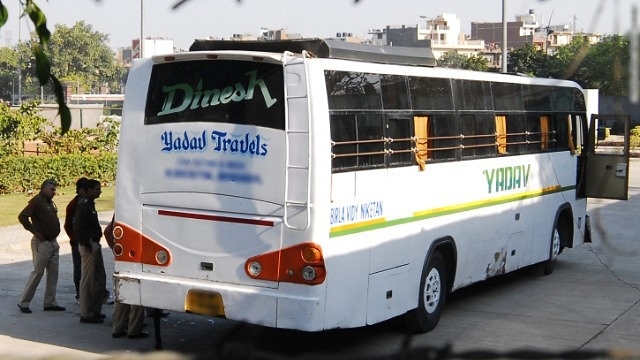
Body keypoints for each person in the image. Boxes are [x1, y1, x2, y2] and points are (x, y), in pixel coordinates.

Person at [16, 179, 66, 313]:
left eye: (54, 189)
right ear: (43, 188)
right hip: (42, 243)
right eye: (51, 189)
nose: (54, 192)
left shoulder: (50, 202)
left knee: (53, 273)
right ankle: (24, 302)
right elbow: (22, 217)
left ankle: (50, 302)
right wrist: (35, 232)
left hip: (53, 241)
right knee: (38, 272)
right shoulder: (36, 202)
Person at [104, 215, 149, 339]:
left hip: (123, 257)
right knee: (137, 294)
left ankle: (118, 327)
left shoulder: (121, 211)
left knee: (122, 294)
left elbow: (108, 231)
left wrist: (114, 248)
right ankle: (134, 329)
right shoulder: (141, 214)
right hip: (137, 257)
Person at [73, 179, 106, 324]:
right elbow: (78, 228)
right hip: (89, 245)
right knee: (88, 281)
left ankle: (95, 310)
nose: (100, 191)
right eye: (97, 189)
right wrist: (86, 243)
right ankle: (86, 313)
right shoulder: (84, 205)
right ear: (89, 190)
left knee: (99, 280)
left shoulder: (90, 204)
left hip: (94, 243)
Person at [64, 177, 88, 303]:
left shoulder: (88, 202)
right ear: (80, 190)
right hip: (77, 242)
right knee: (78, 268)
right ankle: (79, 293)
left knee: (92, 269)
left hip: (88, 241)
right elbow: (68, 225)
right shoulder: (73, 205)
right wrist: (74, 238)